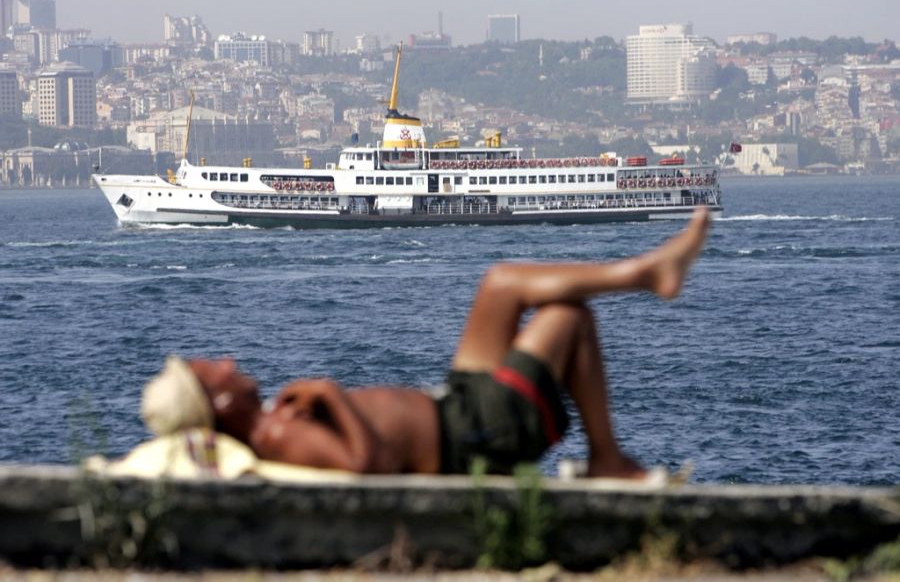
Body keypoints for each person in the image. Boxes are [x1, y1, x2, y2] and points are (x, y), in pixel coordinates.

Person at [142, 208, 711, 479]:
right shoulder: (275, 431)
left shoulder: (275, 420)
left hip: (457, 406)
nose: (227, 361)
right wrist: (328, 392)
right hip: (473, 433)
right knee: (566, 316)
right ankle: (646, 275)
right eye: (212, 369)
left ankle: (647, 273)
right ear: (217, 403)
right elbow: (365, 466)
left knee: (500, 282)